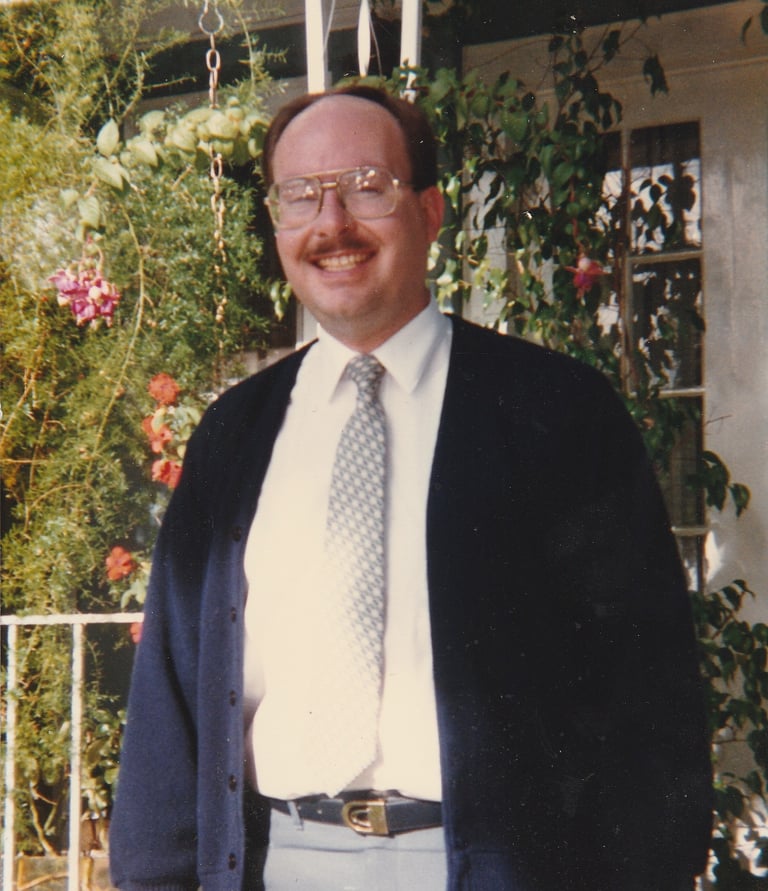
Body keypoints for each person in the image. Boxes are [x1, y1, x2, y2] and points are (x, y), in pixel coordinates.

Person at [109, 85, 713, 891]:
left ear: (430, 212)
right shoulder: (233, 433)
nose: (332, 223)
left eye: (368, 186)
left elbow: (648, 689)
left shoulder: (558, 413)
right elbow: (171, 695)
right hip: (278, 861)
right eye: (301, 195)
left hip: (496, 866)